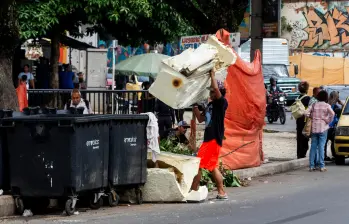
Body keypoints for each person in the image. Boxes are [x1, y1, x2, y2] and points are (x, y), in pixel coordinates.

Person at [191, 70, 228, 200]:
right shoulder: (211, 105)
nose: (210, 93)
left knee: (198, 165)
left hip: (213, 139)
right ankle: (221, 192)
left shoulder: (222, 103)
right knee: (212, 167)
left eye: (212, 91)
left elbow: (216, 90)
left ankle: (193, 190)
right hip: (209, 139)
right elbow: (201, 119)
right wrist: (194, 105)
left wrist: (212, 76)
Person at [305, 90, 334, 172]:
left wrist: (311, 116)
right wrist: (328, 120)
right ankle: (321, 165)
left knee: (313, 146)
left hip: (314, 128)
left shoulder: (313, 105)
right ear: (326, 97)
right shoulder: (327, 105)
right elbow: (332, 114)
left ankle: (311, 166)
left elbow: (305, 113)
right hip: (323, 128)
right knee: (321, 146)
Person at [325, 91, 342, 161]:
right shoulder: (334, 106)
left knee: (325, 142)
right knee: (334, 141)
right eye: (337, 97)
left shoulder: (326, 104)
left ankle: (324, 156)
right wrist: (341, 103)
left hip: (326, 126)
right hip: (331, 127)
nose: (338, 98)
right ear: (335, 97)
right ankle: (334, 155)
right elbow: (342, 111)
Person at [296, 81, 311, 159]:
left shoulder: (298, 97)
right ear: (307, 89)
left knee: (299, 136)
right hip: (305, 119)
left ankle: (298, 152)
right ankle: (303, 152)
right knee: (305, 136)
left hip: (298, 119)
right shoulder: (308, 98)